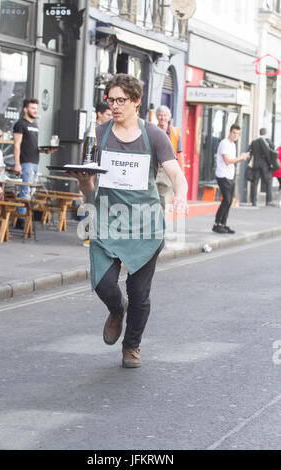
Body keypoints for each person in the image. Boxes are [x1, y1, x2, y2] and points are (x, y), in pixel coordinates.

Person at [70, 73, 188, 368]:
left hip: (144, 224)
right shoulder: (99, 134)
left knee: (139, 294)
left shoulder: (154, 135)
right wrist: (84, 185)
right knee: (104, 284)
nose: (115, 106)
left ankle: (131, 346)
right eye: (111, 100)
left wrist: (181, 194)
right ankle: (115, 308)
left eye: (121, 100)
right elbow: (88, 186)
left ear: (136, 101)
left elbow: (175, 172)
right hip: (105, 219)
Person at [13, 98, 56, 229]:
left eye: (36, 109)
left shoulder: (35, 126)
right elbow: (17, 144)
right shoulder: (20, 124)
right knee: (25, 191)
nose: (35, 111)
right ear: (25, 109)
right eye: (32, 108)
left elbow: (33, 146)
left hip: (35, 161)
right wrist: (17, 164)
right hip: (25, 162)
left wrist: (46, 150)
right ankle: (21, 219)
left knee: (31, 191)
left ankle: (24, 217)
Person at [82, 102, 112, 248]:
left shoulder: (108, 131)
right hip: (91, 173)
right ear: (99, 114)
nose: (110, 117)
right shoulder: (92, 131)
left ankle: (96, 234)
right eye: (108, 114)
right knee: (90, 202)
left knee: (99, 204)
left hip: (101, 173)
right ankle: (88, 235)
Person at [212, 124, 249, 234]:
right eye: (233, 133)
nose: (235, 135)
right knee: (226, 200)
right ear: (229, 132)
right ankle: (216, 224)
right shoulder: (224, 143)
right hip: (222, 175)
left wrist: (240, 157)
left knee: (229, 201)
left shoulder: (233, 145)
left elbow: (231, 160)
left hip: (230, 175)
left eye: (237, 134)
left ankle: (223, 224)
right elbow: (227, 161)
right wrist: (240, 158)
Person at [155, 105, 185, 211]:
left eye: (165, 115)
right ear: (157, 117)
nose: (162, 118)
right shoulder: (152, 130)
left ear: (169, 117)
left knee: (164, 199)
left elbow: (179, 153)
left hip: (168, 169)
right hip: (154, 168)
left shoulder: (175, 132)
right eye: (160, 115)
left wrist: (181, 172)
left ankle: (161, 225)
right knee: (151, 199)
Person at [249, 128, 276, 207]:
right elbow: (273, 148)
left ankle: (253, 202)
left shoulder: (254, 142)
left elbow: (250, 151)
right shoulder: (268, 141)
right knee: (268, 183)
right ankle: (268, 201)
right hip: (266, 166)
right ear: (265, 133)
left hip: (256, 165)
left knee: (255, 183)